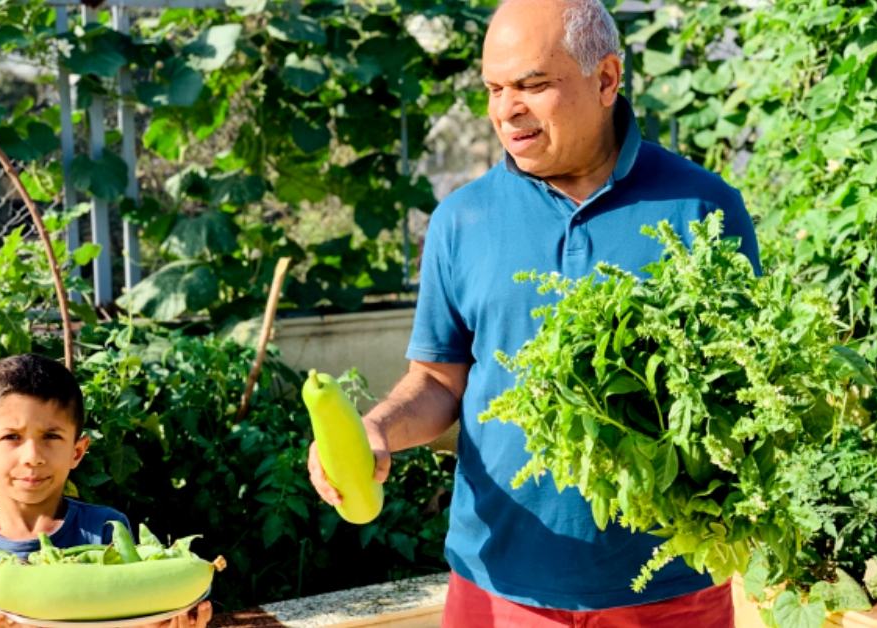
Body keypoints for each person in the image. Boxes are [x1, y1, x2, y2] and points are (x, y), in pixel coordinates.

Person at [306, 0, 762, 626]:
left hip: (667, 593)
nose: (505, 110)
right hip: (499, 586)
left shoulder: (702, 208)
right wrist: (376, 428)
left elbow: (745, 393)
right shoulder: (461, 220)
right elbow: (439, 382)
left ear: (606, 79)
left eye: (532, 85)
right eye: (494, 88)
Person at [0, 353, 212, 628]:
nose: (33, 456)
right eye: (11, 437)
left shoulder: (105, 531)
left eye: (51, 436)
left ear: (77, 452)